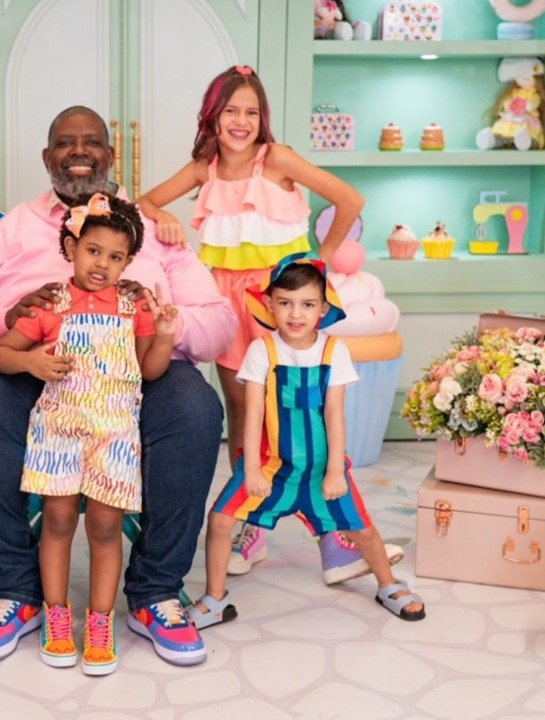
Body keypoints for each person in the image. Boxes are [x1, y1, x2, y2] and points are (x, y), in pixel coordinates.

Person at [0, 106, 236, 667]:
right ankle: (15, 590)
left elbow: (219, 323)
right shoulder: (10, 229)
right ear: (47, 158)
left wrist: (159, 318)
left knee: (195, 408)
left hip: (134, 370)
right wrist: (7, 316)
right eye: (65, 143)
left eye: (91, 142)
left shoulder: (151, 229)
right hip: (37, 366)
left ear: (110, 156)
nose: (78, 151)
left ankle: (155, 593)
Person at [137, 64, 398, 584]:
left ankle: (334, 536)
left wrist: (318, 265)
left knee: (303, 409)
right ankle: (252, 525)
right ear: (212, 117)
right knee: (244, 411)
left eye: (252, 112)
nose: (241, 121)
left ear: (263, 119)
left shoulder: (276, 159)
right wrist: (162, 216)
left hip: (281, 302)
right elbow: (143, 202)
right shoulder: (204, 169)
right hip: (226, 302)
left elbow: (350, 200)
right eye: (231, 111)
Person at [0, 193, 178, 675]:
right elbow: (0, 355)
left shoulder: (133, 305)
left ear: (128, 262)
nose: (102, 264)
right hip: (58, 429)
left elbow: (149, 371)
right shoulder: (50, 303)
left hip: (114, 431)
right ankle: (55, 615)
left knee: (106, 525)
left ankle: (99, 621)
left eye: (115, 257)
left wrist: (164, 335)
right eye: (93, 251)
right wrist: (31, 361)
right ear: (72, 248)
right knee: (56, 519)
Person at [185, 254, 426, 629]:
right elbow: (252, 412)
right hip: (270, 467)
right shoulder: (261, 350)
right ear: (270, 304)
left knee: (362, 529)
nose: (295, 314)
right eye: (285, 302)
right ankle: (215, 599)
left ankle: (389, 585)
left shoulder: (333, 351)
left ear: (322, 309)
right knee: (219, 521)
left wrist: (335, 471)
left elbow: (334, 413)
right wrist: (251, 469)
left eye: (308, 304)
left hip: (320, 470)